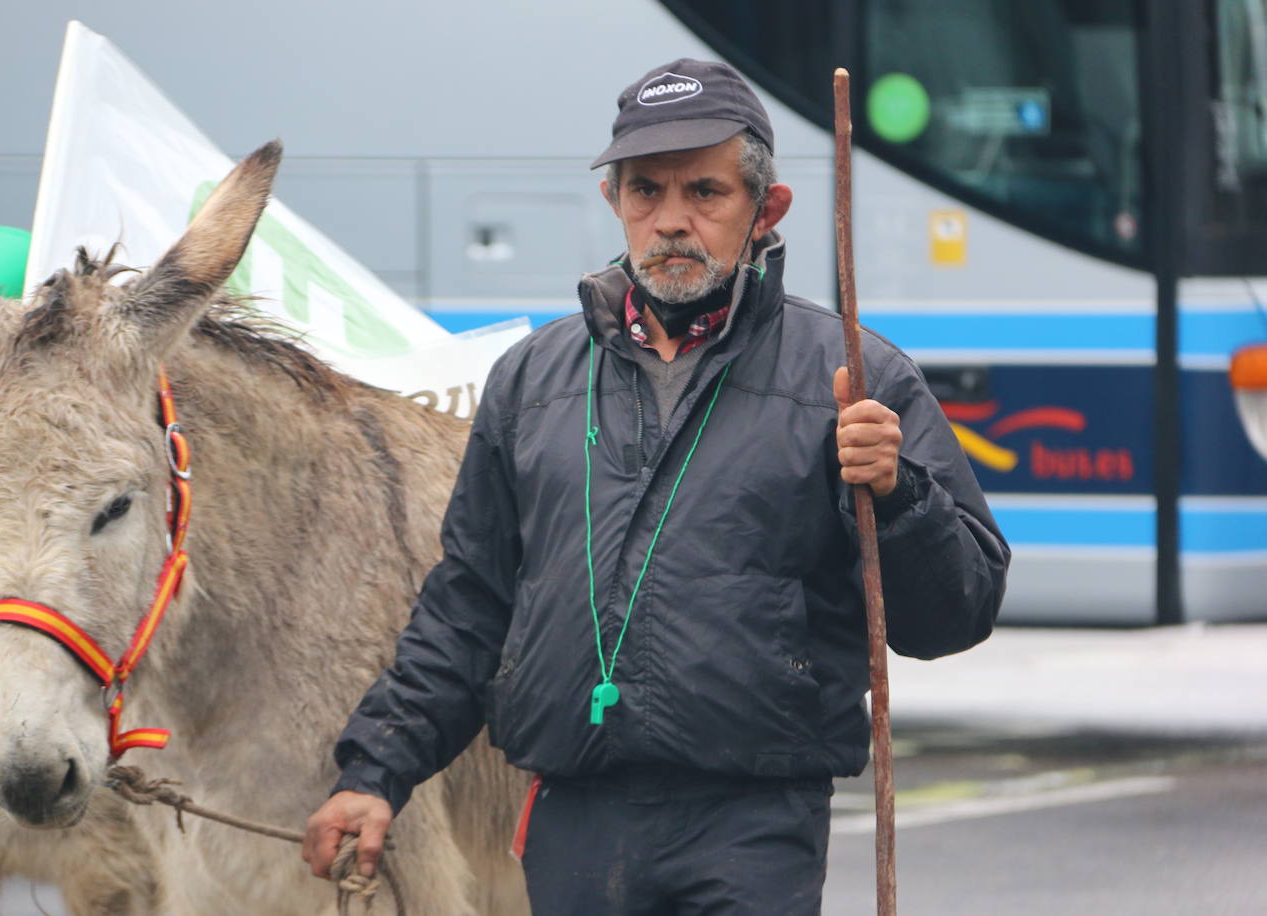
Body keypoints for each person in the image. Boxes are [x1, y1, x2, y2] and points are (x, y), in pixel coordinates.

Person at [304, 58, 1010, 913]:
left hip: (753, 828)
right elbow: (470, 604)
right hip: (573, 818)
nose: (671, 221)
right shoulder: (531, 382)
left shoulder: (857, 378)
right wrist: (376, 771)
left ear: (766, 210)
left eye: (705, 193)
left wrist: (900, 497)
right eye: (646, 192)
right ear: (615, 202)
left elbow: (957, 614)